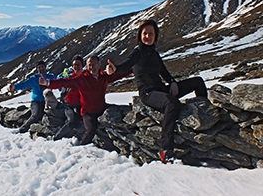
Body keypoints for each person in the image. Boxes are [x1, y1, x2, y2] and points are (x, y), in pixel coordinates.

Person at [106, 19, 207, 163]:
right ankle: (166, 149)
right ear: (140, 35)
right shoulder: (138, 52)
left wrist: (172, 82)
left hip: (161, 90)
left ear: (155, 36)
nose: (148, 36)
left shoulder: (154, 53)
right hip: (148, 94)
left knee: (197, 82)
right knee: (172, 104)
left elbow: (164, 72)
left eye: (151, 34)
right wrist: (114, 69)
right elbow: (126, 65)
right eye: (145, 33)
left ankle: (206, 115)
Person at [39, 55, 132, 145]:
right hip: (88, 112)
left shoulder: (104, 76)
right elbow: (66, 82)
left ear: (100, 65)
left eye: (94, 65)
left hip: (101, 108)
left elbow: (119, 75)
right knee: (90, 130)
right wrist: (48, 83)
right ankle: (82, 148)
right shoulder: (82, 79)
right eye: (89, 65)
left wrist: (134, 68)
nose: (91, 68)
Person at [8, 60, 56, 133]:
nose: (41, 69)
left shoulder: (51, 77)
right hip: (36, 102)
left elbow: (59, 83)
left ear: (45, 67)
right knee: (36, 115)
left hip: (48, 102)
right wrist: (14, 87)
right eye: (39, 67)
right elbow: (24, 84)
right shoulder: (34, 79)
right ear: (37, 69)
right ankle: (22, 129)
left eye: (42, 67)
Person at [53, 55, 84, 140]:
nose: (76, 66)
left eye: (78, 64)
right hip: (68, 105)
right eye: (75, 64)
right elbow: (59, 85)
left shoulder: (86, 79)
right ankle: (56, 137)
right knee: (71, 121)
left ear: (82, 65)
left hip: (81, 105)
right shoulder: (69, 78)